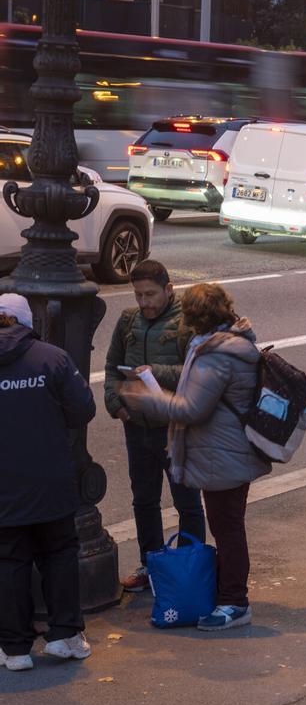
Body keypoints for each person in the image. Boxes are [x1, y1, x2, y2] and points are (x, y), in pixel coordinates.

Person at [122, 284, 269, 630]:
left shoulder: (218, 353)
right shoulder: (224, 344)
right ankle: (227, 594)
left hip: (224, 454)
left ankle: (234, 602)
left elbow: (192, 408)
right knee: (227, 524)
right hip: (225, 449)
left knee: (227, 527)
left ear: (194, 317)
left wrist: (148, 399)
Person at [0, 294, 95, 671]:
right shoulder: (52, 358)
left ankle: (13, 648)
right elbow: (83, 409)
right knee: (58, 553)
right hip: (50, 479)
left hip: (3, 486)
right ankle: (64, 636)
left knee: (8, 560)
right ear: (27, 323)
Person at [103, 260, 204, 593]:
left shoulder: (185, 323)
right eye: (138, 295)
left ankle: (189, 568)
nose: (144, 302)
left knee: (186, 502)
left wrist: (154, 371)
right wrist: (116, 406)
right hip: (137, 427)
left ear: (168, 289)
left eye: (150, 294)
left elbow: (195, 372)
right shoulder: (128, 320)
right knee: (143, 500)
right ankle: (151, 565)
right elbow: (111, 365)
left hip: (173, 427)